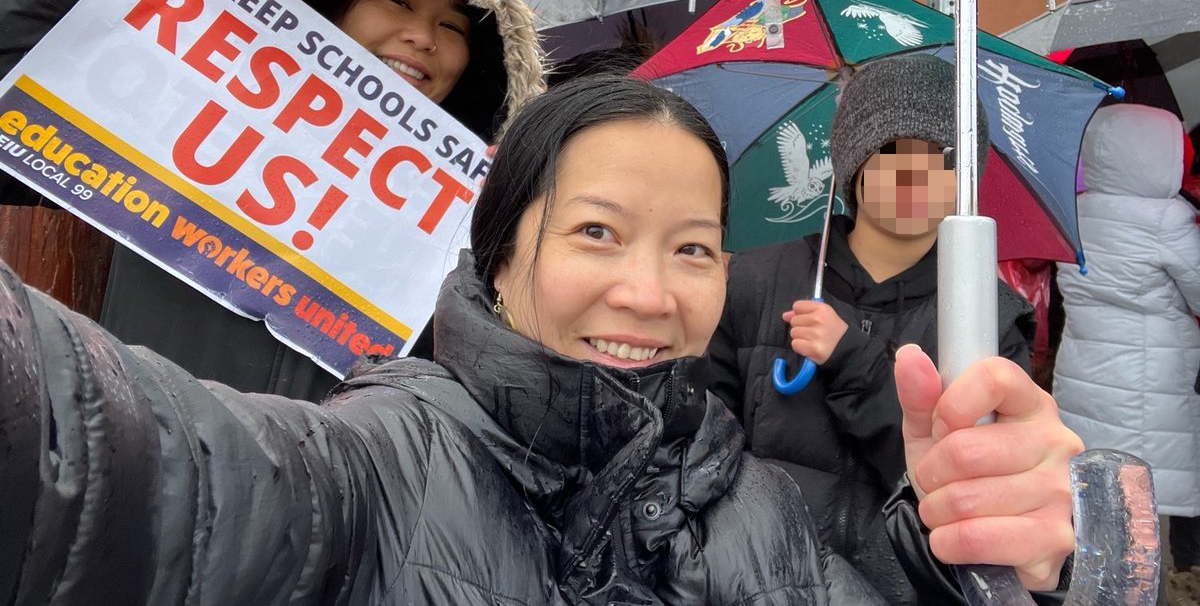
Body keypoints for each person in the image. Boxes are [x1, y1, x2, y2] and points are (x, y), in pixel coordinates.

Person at [0, 75, 1081, 603]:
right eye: (597, 233)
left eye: (693, 248)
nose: (649, 293)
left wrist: (968, 566)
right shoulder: (373, 463)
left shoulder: (758, 516)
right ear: (501, 250)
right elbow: (89, 453)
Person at [0, 0, 543, 400]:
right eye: (397, 1)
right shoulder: (187, 110)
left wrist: (501, 223)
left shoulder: (478, 215)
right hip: (134, 457)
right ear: (331, 9)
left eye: (453, 29)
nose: (423, 38)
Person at [708, 54, 1040, 604]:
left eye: (942, 157)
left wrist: (854, 359)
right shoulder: (755, 277)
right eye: (891, 151)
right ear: (853, 162)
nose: (916, 175)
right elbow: (702, 440)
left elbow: (968, 489)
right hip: (752, 579)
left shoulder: (989, 319)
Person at [1052, 104, 1200, 582]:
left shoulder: (1073, 207)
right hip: (1149, 384)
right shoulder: (1167, 220)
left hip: (1082, 370)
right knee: (1142, 526)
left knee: (1098, 499)